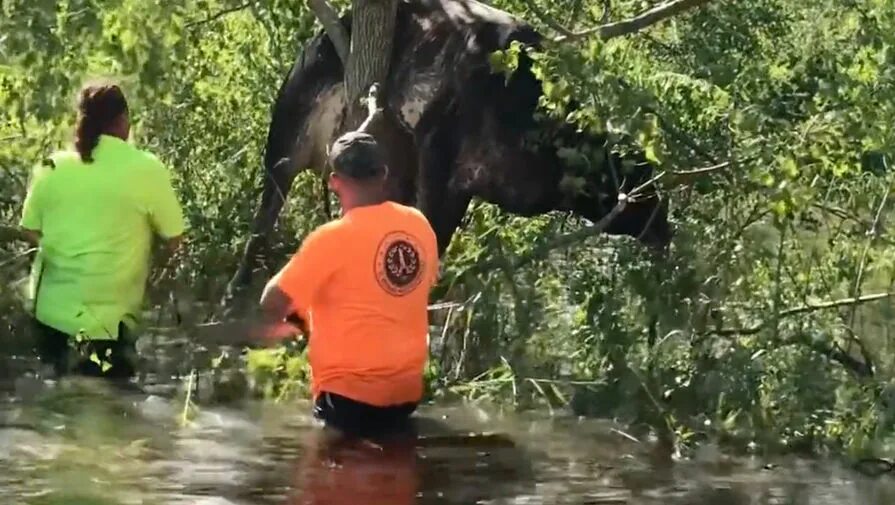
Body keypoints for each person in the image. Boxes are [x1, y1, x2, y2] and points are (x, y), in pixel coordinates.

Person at [256, 130, 439, 440]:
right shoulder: (418, 225)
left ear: (334, 182)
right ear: (383, 174)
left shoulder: (331, 239)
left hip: (345, 403)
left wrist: (295, 319)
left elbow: (271, 301)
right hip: (405, 397)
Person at [18, 81, 185, 380]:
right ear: (123, 120)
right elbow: (175, 239)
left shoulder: (52, 167)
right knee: (109, 403)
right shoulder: (146, 169)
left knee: (56, 396)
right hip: (109, 327)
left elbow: (31, 232)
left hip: (50, 320)